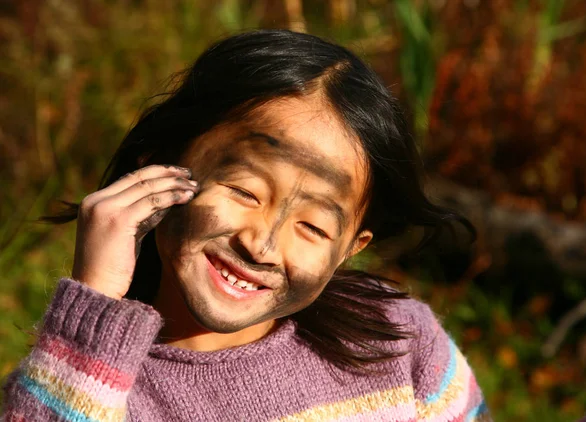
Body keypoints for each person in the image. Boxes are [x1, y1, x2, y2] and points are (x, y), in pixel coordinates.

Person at [2, 29, 491, 421]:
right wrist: (95, 308)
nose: (262, 244)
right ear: (162, 165)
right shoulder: (79, 380)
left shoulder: (397, 342)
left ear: (350, 247)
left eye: (315, 227)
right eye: (244, 191)